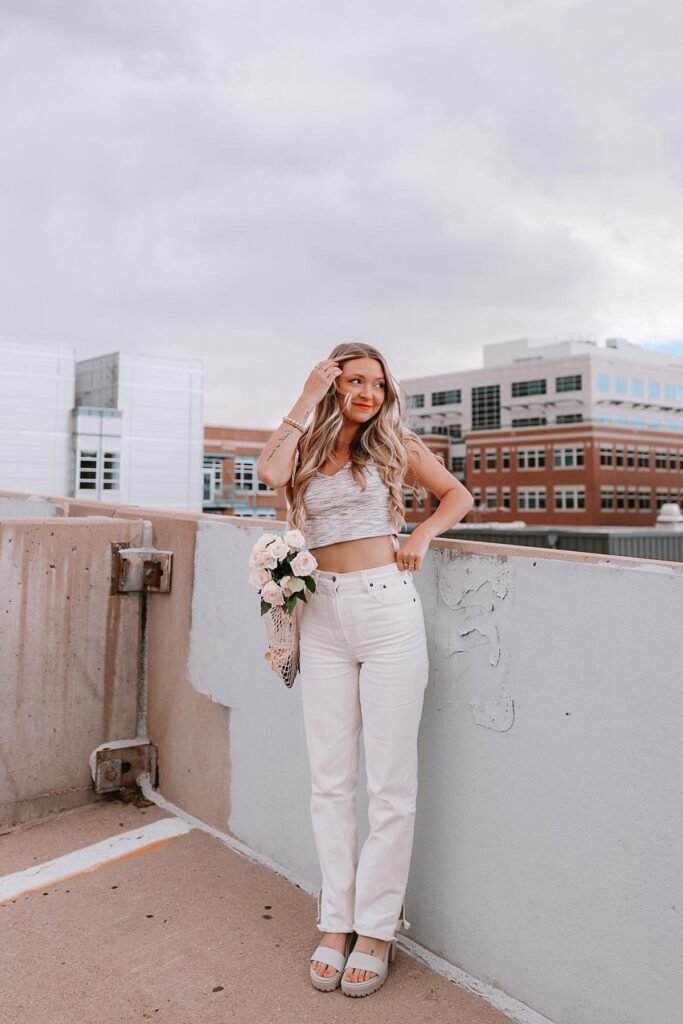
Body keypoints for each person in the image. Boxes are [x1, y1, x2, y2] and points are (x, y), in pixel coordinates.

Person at [257, 342, 473, 997]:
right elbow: (269, 474)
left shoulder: (395, 443)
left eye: (376, 383)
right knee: (329, 781)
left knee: (389, 785)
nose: (367, 393)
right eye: (353, 380)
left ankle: (375, 930)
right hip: (319, 617)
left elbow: (455, 496)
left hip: (385, 611)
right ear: (332, 382)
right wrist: (305, 394)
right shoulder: (306, 442)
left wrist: (419, 536)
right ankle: (334, 923)